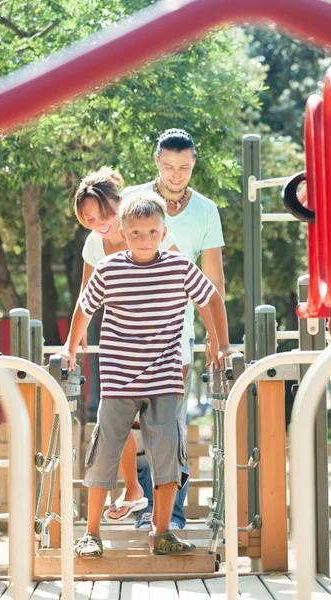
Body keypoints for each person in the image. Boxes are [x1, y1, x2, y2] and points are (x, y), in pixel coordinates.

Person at [60, 192, 232, 557]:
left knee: (167, 452)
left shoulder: (179, 266)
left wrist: (218, 343)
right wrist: (69, 348)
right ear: (122, 233)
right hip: (119, 378)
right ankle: (92, 532)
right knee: (104, 449)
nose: (144, 239)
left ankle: (162, 530)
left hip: (165, 378)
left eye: (152, 231)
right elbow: (84, 308)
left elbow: (211, 299)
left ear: (164, 231)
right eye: (136, 232)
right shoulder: (109, 269)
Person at [108, 128, 227, 529]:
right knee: (136, 427)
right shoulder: (135, 202)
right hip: (129, 332)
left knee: (169, 422)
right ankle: (144, 509)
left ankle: (171, 516)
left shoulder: (206, 210)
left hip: (177, 332)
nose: (177, 174)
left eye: (185, 167)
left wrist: (217, 338)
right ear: (157, 161)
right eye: (169, 166)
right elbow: (108, 254)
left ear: (194, 162)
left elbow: (213, 284)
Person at [71, 165, 193, 525]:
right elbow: (86, 296)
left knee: (163, 428)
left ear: (119, 205)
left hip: (167, 340)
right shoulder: (97, 243)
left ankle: (167, 517)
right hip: (124, 345)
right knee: (118, 423)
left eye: (105, 215)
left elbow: (183, 285)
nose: (100, 224)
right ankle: (133, 491)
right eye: (91, 220)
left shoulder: (149, 233)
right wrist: (72, 345)